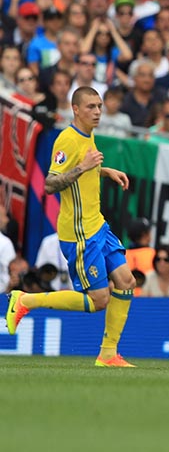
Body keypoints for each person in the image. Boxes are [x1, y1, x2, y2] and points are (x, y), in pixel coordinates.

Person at [5, 86, 136, 367]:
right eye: (91, 107)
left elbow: (84, 167)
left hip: (97, 225)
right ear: (76, 109)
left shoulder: (88, 134)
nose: (98, 112)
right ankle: (26, 301)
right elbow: (51, 183)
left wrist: (103, 170)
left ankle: (108, 354)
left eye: (99, 106)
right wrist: (84, 167)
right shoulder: (67, 139)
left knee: (126, 281)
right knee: (98, 300)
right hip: (79, 233)